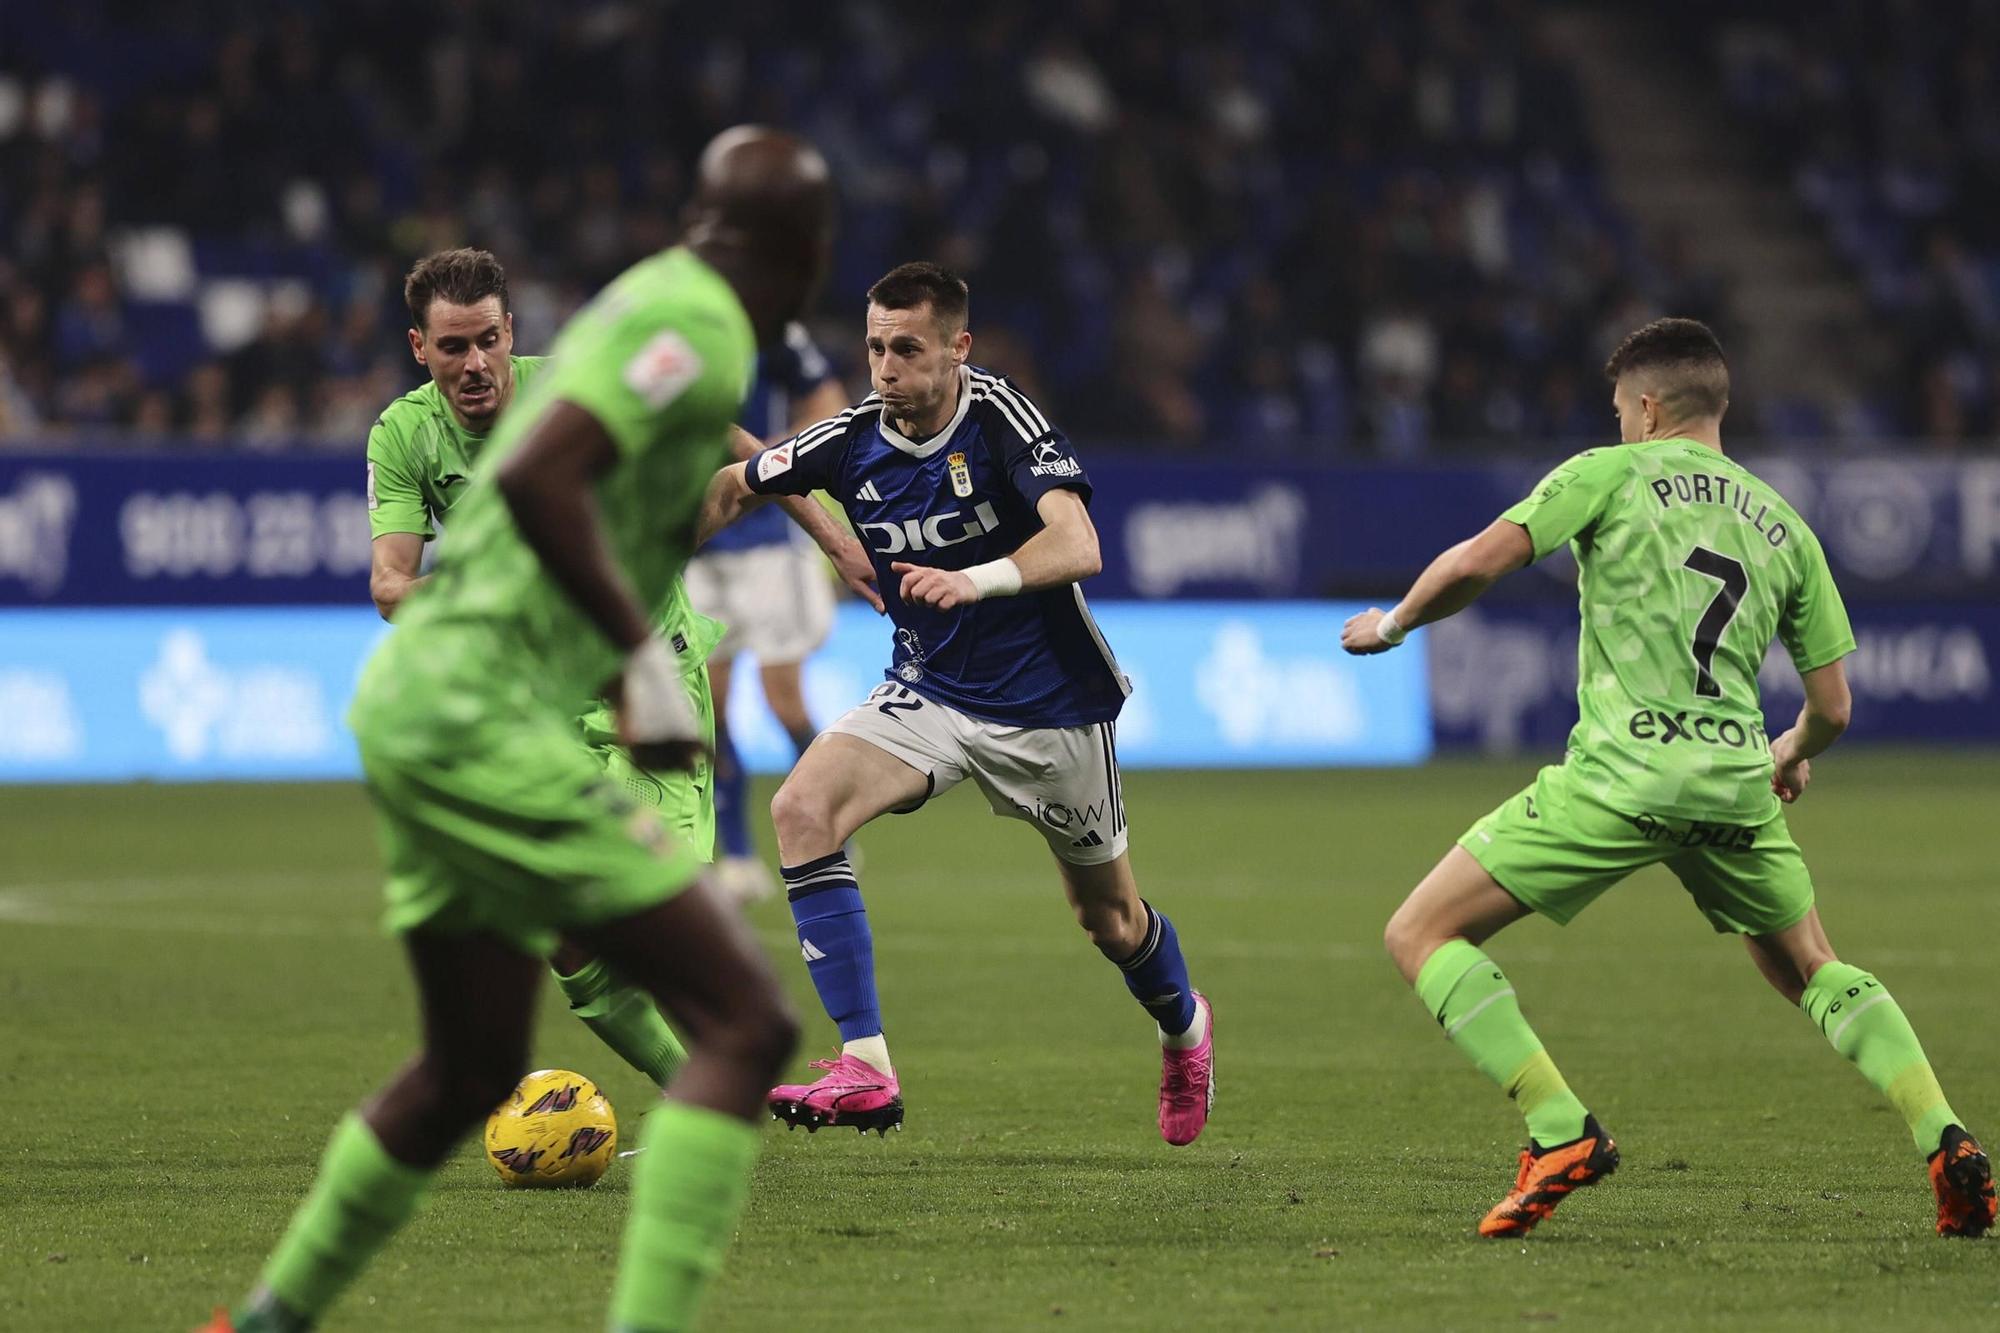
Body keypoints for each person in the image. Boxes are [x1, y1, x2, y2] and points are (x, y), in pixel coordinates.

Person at [202, 126, 839, 1333]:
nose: (480, 361)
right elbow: (548, 481)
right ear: (807, 255)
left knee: (468, 1068)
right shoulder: (696, 326)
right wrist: (643, 663)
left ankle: (261, 1322)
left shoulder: (642, 302)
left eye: (490, 337)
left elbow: (626, 472)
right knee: (746, 1020)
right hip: (486, 710)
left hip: (418, 707)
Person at [1342, 317, 1995, 1240]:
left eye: (1619, 409)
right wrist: (1787, 752)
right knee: (1813, 965)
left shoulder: (1607, 473)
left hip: (1623, 775)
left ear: (1647, 409)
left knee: (1420, 931)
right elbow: (1835, 709)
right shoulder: (1786, 524)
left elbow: (1479, 560)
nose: (1617, 423)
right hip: (1734, 783)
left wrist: (1394, 622)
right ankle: (1945, 1135)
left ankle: (1558, 1126)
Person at [696, 261, 1215, 1146]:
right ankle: (866, 1063)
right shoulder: (850, 438)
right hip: (928, 692)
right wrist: (647, 562)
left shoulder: (1001, 417)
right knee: (804, 808)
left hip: (1050, 707)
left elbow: (1079, 540)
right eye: (872, 347)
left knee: (1110, 920)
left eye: (906, 349)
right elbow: (745, 478)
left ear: (957, 350)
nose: (884, 368)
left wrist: (973, 581)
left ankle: (1185, 1026)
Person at [364, 248, 874, 1096]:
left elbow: (733, 441)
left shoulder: (576, 386)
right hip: (537, 701)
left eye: (488, 339)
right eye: (453, 347)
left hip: (649, 676)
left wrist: (830, 535)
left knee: (643, 912)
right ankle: (700, 1093)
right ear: (421, 348)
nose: (476, 364)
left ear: (510, 331)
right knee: (564, 937)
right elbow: (389, 586)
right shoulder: (404, 434)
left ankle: (722, 1067)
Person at [683, 322, 851, 903]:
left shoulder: (773, 330)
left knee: (784, 700)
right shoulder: (671, 332)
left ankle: (831, 821)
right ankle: (737, 854)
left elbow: (831, 406)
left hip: (771, 544)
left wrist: (771, 460)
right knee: (712, 705)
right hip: (698, 544)